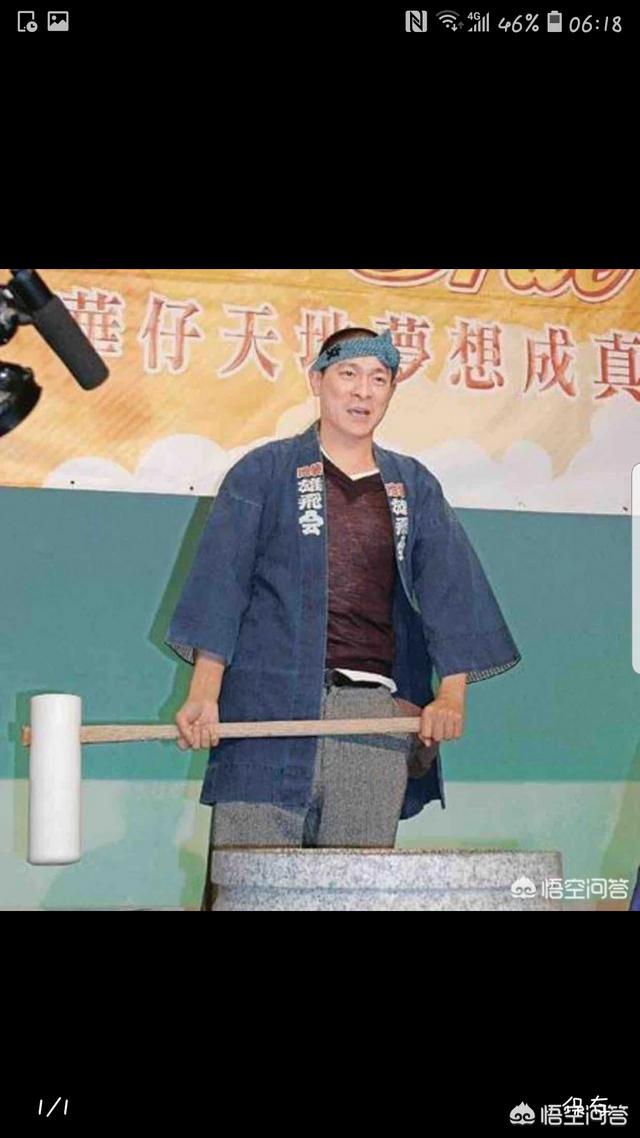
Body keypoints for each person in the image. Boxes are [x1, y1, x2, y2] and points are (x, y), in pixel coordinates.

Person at [164, 327, 521, 909]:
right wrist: (205, 693)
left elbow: (452, 589)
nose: (363, 391)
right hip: (265, 710)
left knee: (355, 894)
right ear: (317, 381)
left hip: (371, 719)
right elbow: (220, 586)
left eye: (379, 379)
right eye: (348, 374)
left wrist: (451, 696)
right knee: (252, 891)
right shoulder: (263, 472)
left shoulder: (412, 485)